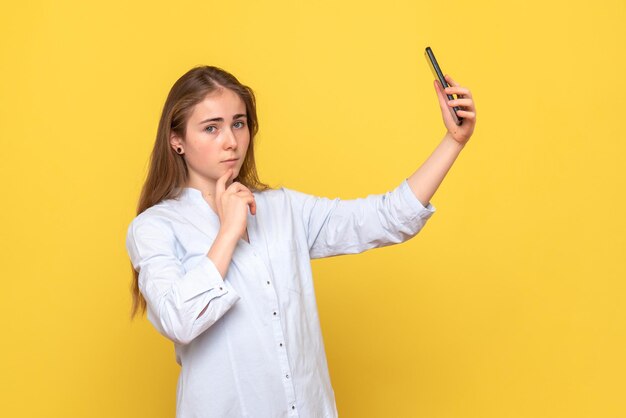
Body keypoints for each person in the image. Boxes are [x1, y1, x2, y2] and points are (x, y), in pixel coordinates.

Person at [125, 65, 476, 418]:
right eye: (211, 127)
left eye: (238, 123)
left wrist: (453, 141)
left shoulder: (283, 208)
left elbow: (386, 218)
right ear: (177, 140)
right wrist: (229, 231)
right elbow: (178, 321)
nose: (230, 141)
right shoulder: (155, 227)